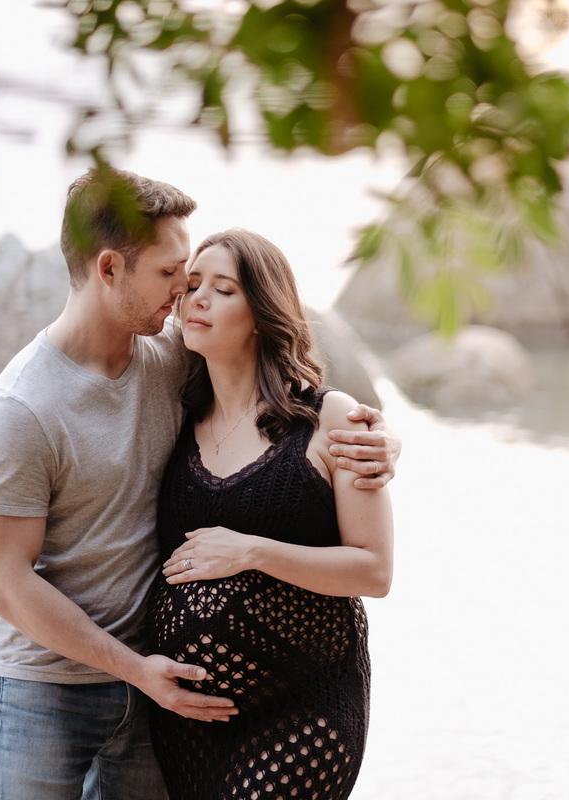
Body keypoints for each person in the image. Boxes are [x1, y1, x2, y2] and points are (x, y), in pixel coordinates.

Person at [0, 167, 400, 800]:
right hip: (48, 689)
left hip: (165, 695)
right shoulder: (18, 412)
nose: (183, 294)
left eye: (194, 279)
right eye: (173, 274)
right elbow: (4, 581)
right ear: (109, 268)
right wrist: (136, 670)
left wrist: (378, 439)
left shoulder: (171, 357)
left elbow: (287, 397)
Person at [145, 228, 394, 800]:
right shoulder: (176, 418)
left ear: (261, 312)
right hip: (192, 724)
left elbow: (375, 571)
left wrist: (251, 551)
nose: (198, 299)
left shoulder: (329, 419)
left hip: (303, 706)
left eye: (223, 289)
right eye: (192, 285)